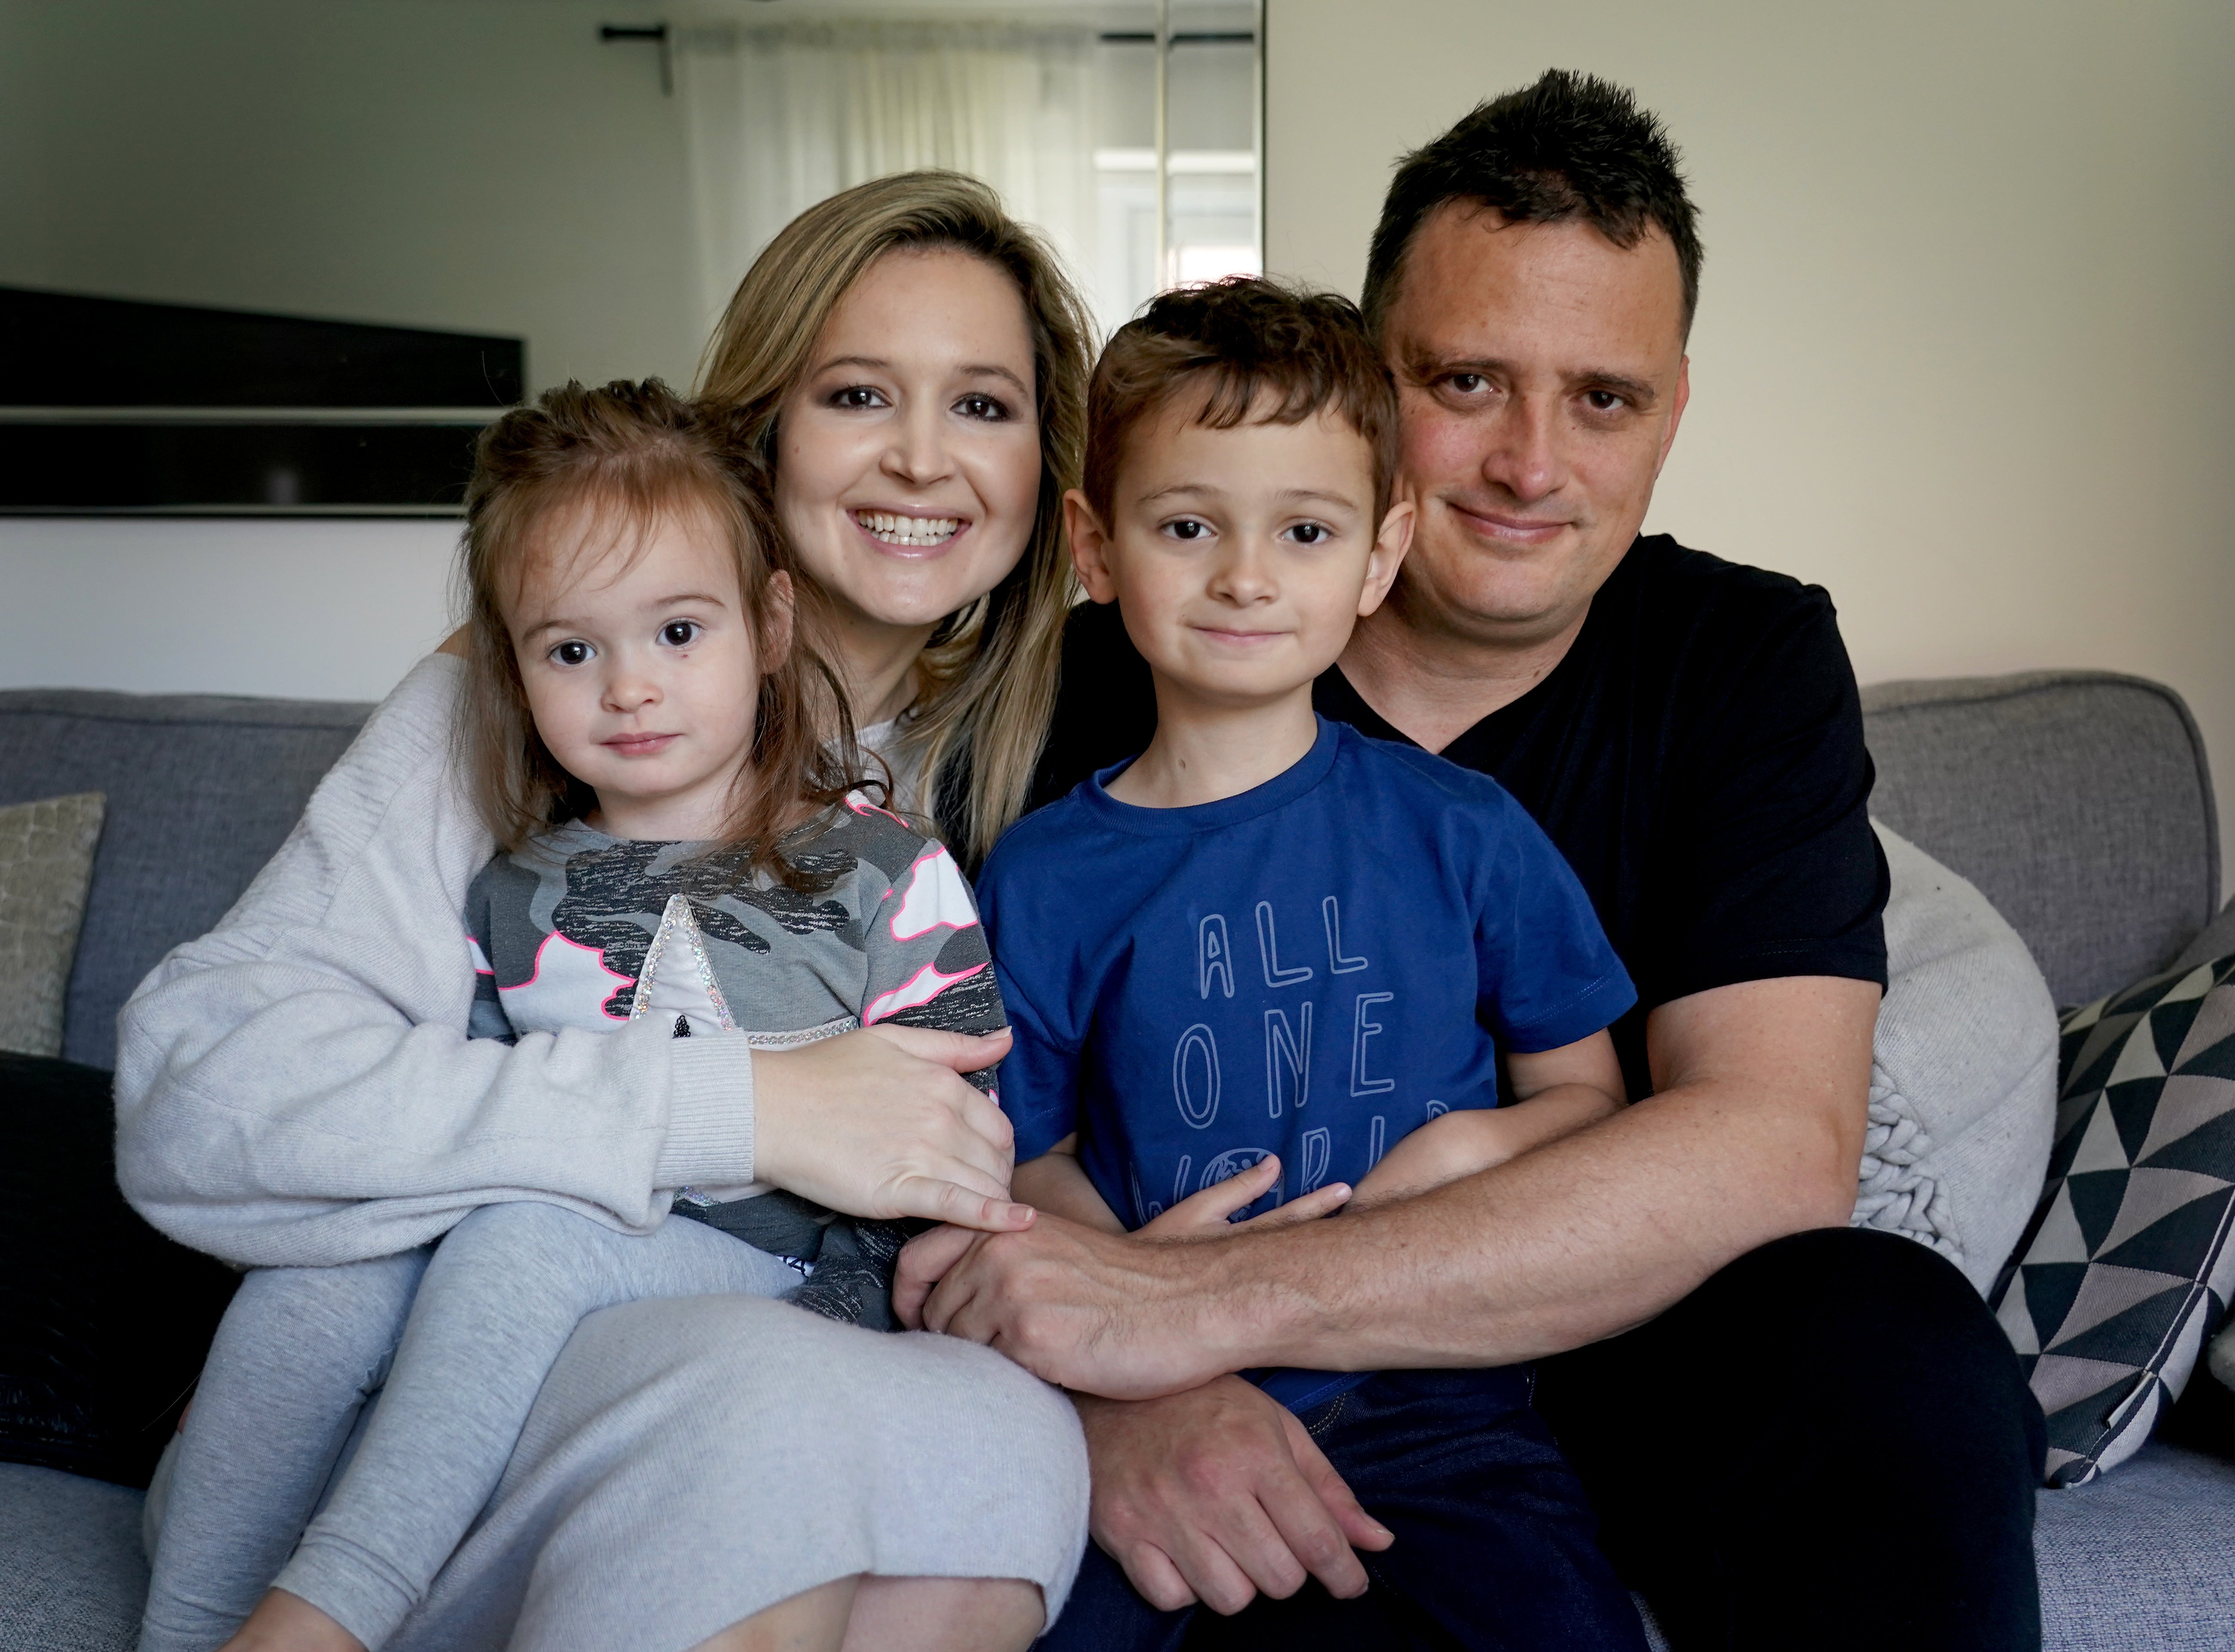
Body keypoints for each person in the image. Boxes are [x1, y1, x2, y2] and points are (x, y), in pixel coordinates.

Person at [905, 73, 2047, 1651]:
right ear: (1368, 389)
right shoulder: (1108, 680)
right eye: (1467, 381)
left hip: (1610, 1338)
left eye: (1605, 398)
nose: (1530, 463)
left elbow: (1775, 1147)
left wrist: (1201, 1313)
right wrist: (1105, 1400)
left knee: (1894, 1346)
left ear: (1673, 410)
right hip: (1251, 1393)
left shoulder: (1739, 656)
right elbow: (952, 1134)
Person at [119, 173, 1094, 1652]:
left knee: (981, 1465)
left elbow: (1014, 1143)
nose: (920, 459)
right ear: (761, 428)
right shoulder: (524, 707)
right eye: (856, 394)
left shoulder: (1049, 756)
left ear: (1046, 467)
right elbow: (197, 1094)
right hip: (533, 1345)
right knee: (722, 1413)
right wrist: (736, 1108)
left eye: (983, 406)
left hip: (810, 1316)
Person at [948, 276, 1651, 1650]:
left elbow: (1594, 1099)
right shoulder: (1039, 874)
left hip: (1441, 1411)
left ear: (1380, 555)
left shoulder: (1463, 830)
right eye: (1190, 525)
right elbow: (1012, 1157)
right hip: (1153, 1406)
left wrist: (1466, 1153)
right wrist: (1127, 1284)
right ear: (1096, 545)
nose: (1247, 576)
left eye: (1306, 530)